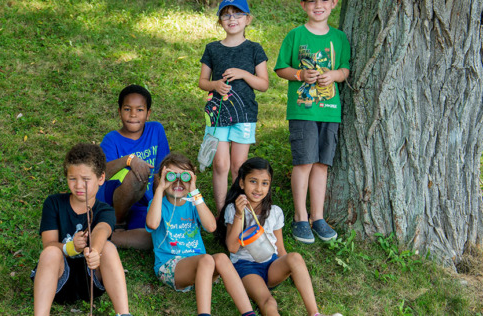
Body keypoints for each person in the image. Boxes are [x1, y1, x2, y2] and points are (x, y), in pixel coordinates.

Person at [216, 157, 342, 316]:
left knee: (294, 257)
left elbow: (280, 248)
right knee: (269, 302)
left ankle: (315, 314)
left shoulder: (275, 212)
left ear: (269, 186)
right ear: (242, 183)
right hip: (246, 267)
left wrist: (291, 270)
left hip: (271, 264)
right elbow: (233, 248)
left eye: (264, 183)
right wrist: (240, 215)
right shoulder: (233, 210)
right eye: (253, 181)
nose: (258, 188)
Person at [274, 0, 350, 244]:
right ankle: (300, 216)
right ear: (303, 5)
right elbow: (280, 68)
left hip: (329, 112)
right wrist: (299, 74)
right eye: (312, 1)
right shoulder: (296, 35)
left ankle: (318, 217)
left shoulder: (339, 38)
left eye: (324, 0)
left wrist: (334, 75)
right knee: (304, 162)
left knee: (321, 165)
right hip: (303, 111)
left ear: (334, 4)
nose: (319, 5)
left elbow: (345, 69)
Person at [146, 153, 256, 316]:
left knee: (222, 258)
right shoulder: (158, 204)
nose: (177, 181)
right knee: (206, 259)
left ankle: (248, 313)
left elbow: (211, 227)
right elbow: (152, 224)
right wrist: (160, 188)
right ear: (162, 177)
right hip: (171, 267)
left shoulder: (193, 203)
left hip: (203, 269)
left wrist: (194, 192)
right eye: (171, 176)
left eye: (184, 177)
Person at [31, 143, 131, 316]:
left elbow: (102, 229)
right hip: (57, 282)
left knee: (108, 248)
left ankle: (123, 314)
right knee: (50, 253)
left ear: (101, 178)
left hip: (92, 281)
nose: (78, 185)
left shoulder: (105, 210)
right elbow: (48, 244)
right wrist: (71, 248)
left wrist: (95, 251)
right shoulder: (53, 203)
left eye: (85, 179)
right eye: (72, 178)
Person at [198, 0, 269, 212]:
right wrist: (215, 85)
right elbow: (202, 81)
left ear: (248, 19)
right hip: (218, 113)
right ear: (220, 21)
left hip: (245, 115)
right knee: (221, 164)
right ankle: (221, 213)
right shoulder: (212, 48)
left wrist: (244, 74)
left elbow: (264, 84)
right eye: (226, 15)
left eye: (237, 14)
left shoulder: (255, 49)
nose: (232, 19)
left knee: (239, 166)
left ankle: (235, 211)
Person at [97, 84, 170, 249]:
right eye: (127, 109)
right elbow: (101, 173)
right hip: (115, 202)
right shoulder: (111, 139)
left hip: (142, 202)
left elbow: (160, 172)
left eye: (140, 110)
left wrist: (165, 207)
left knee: (160, 236)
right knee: (136, 174)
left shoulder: (156, 130)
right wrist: (129, 160)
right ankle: (117, 222)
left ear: (148, 113)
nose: (133, 115)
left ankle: (111, 238)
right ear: (119, 111)